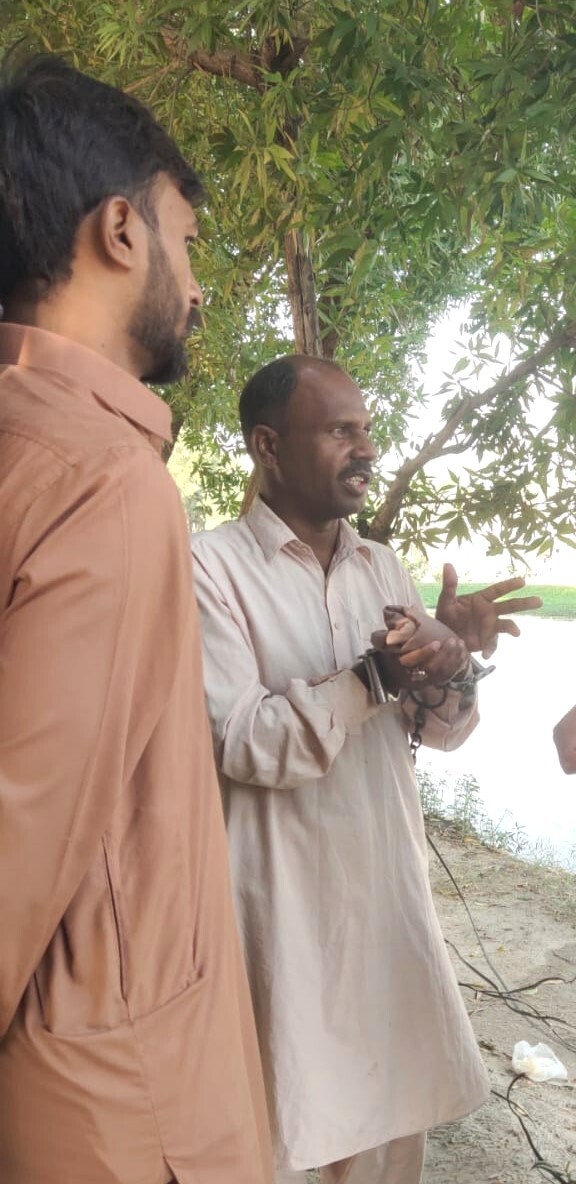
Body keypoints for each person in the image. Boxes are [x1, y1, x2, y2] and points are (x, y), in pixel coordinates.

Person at [0, 52, 273, 1184]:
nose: (198, 287)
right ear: (121, 230)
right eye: (188, 243)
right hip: (123, 1115)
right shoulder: (106, 481)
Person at [191, 354, 541, 1184]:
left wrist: (448, 666)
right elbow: (245, 742)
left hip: (384, 899)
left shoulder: (381, 567)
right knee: (281, 1125)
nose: (367, 449)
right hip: (277, 909)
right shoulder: (208, 567)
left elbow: (440, 734)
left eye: (368, 430)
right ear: (268, 446)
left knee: (386, 1138)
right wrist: (376, 676)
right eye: (340, 431)